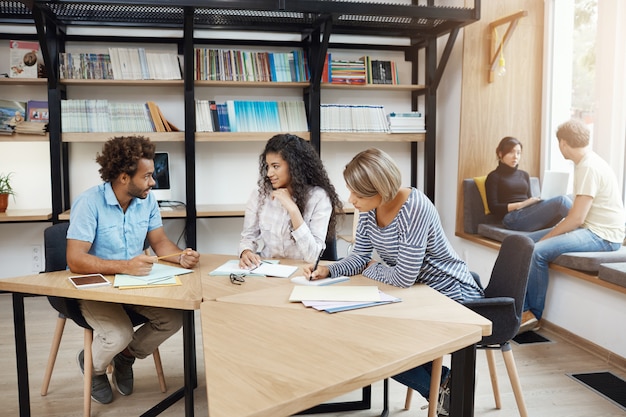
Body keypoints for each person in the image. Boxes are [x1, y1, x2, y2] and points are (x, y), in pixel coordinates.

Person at [305, 148, 484, 415]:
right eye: (350, 190)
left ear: (380, 188)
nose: (350, 199)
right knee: (369, 336)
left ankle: (445, 387)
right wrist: (330, 271)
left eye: (357, 193)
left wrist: (372, 268)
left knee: (380, 341)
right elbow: (360, 257)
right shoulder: (369, 207)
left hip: (452, 293)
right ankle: (445, 382)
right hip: (419, 294)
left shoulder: (415, 208)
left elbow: (402, 277)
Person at [66, 135, 200, 404]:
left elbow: (160, 242)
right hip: (96, 288)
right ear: (124, 177)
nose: (153, 182)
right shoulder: (89, 202)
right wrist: (125, 266)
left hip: (134, 284)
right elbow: (75, 259)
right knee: (119, 333)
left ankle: (125, 357)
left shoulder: (147, 201)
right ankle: (93, 367)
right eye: (147, 176)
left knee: (174, 319)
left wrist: (180, 257)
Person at [519, 120, 625, 333]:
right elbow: (578, 215)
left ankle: (532, 314)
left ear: (563, 143)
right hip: (591, 229)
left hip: (603, 236)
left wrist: (548, 238)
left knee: (537, 251)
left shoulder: (588, 167)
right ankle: (516, 308)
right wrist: (553, 231)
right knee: (523, 243)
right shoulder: (586, 163)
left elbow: (576, 219)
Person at [239, 133, 343, 268]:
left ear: (294, 166)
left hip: (302, 272)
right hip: (267, 270)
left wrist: (293, 209)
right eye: (267, 166)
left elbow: (313, 257)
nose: (269, 173)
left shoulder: (318, 197)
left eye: (275, 166)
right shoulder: (260, 194)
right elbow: (248, 237)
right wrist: (246, 252)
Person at [485, 136, 572, 232]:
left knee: (569, 197)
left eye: (518, 153)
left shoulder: (524, 175)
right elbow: (493, 208)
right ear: (500, 154)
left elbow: (529, 199)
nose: (516, 156)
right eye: (511, 152)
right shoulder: (494, 176)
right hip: (512, 218)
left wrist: (536, 201)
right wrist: (521, 204)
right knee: (561, 201)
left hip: (528, 213)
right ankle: (583, 225)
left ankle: (577, 226)